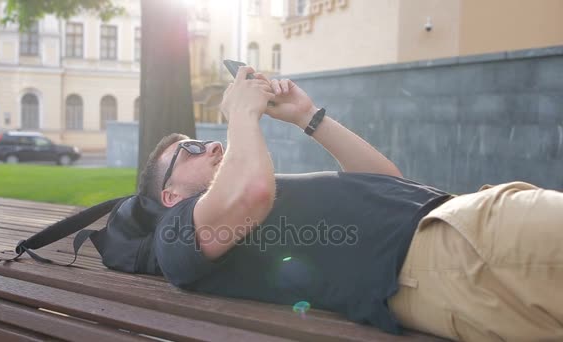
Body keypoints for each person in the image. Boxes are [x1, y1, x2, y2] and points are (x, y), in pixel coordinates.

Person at [136, 66, 563, 341]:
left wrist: (307, 116)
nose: (209, 146)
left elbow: (386, 182)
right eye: (190, 148)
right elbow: (250, 193)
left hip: (461, 235)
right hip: (451, 251)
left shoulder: (246, 197)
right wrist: (241, 115)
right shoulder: (173, 231)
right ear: (169, 195)